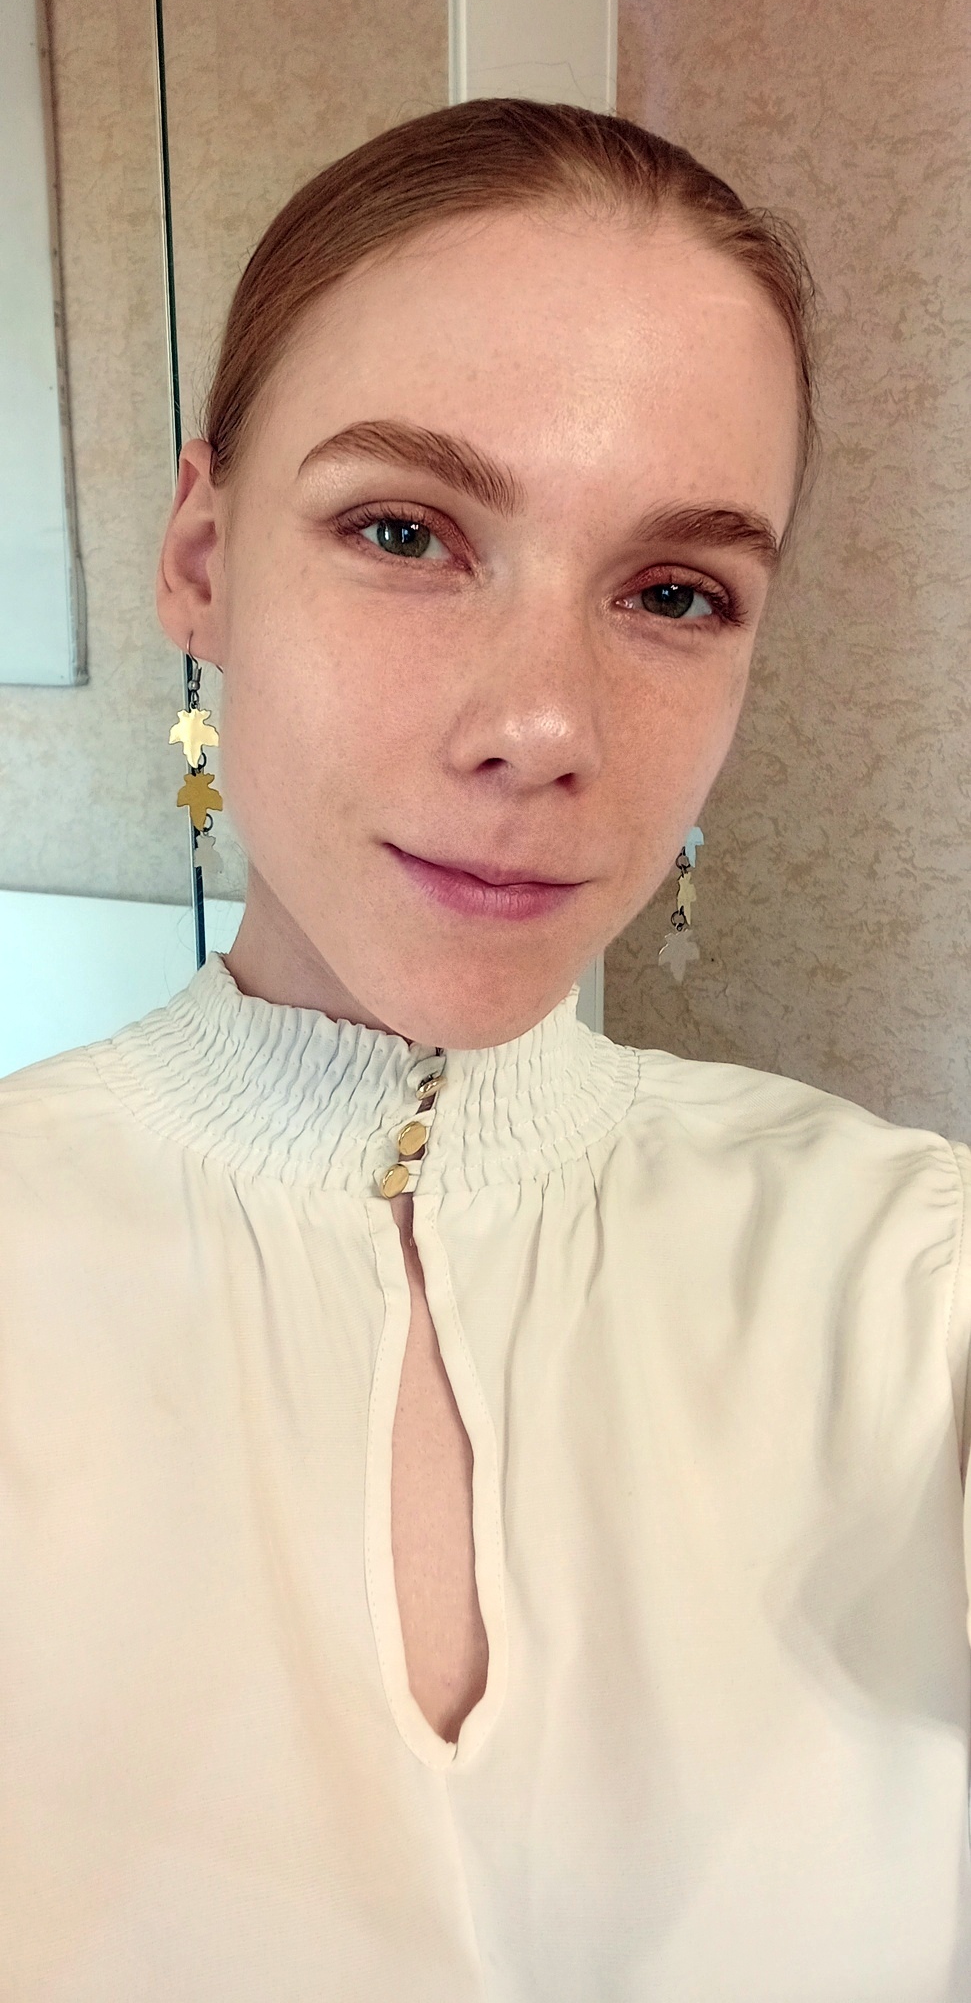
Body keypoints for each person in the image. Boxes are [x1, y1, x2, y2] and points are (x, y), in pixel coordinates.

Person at [0, 98, 968, 2001]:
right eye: (406, 531)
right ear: (201, 554)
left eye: (674, 593)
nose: (545, 724)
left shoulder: (909, 1272)